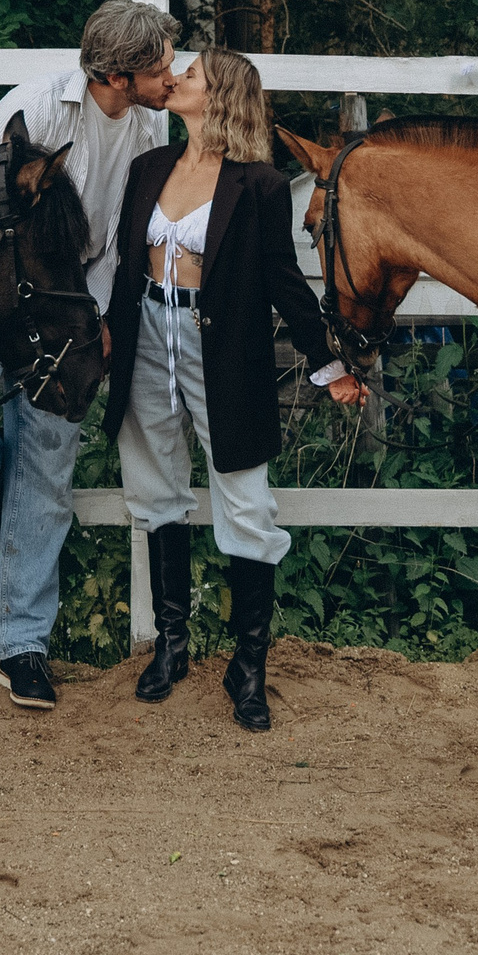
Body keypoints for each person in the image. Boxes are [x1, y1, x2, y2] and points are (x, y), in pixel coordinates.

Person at [101, 48, 368, 731]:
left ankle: (248, 665)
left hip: (220, 351)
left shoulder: (259, 184)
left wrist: (331, 364)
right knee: (156, 490)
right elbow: (122, 265)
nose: (175, 80)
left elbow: (283, 279)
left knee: (245, 502)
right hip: (145, 342)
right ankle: (172, 645)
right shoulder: (147, 169)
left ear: (218, 96)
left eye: (189, 74)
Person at [0, 0, 180, 711]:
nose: (171, 75)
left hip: (76, 305)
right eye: (158, 65)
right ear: (118, 74)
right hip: (2, 293)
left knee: (48, 460)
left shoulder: (152, 123)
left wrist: (99, 314)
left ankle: (22, 644)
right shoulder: (34, 110)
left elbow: (130, 233)